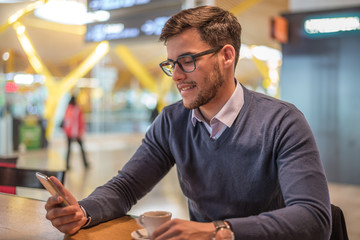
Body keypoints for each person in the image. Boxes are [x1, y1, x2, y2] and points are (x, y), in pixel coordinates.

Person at [45, 6, 331, 239]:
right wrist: (84, 211)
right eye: (172, 64)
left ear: (227, 56)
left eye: (188, 60)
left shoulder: (281, 122)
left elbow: (313, 216)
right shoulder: (172, 121)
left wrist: (219, 231)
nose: (177, 75)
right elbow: (126, 187)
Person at [62, 95, 89, 170]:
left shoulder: (68, 109)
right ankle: (85, 163)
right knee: (81, 148)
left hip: (69, 133)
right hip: (76, 133)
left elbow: (66, 121)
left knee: (69, 149)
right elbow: (81, 121)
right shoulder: (77, 109)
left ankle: (67, 164)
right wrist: (81, 130)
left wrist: (66, 131)